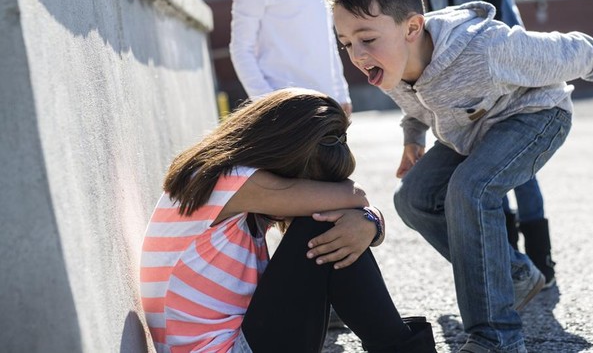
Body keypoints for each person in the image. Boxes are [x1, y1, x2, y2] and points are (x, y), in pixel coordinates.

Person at [326, 0, 593, 353]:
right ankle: (514, 274)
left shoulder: (485, 47)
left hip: (536, 116)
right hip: (472, 132)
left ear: (412, 28)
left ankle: (498, 337)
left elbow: (563, 50)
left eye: (366, 39)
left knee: (470, 189)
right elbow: (415, 106)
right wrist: (413, 139)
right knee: (412, 200)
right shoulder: (388, 63)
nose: (357, 54)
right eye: (346, 43)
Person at [140, 88, 437, 353]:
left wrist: (370, 222)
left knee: (331, 225)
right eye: (309, 185)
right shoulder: (231, 181)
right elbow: (354, 196)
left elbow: (356, 204)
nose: (310, 197)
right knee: (322, 224)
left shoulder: (221, 180)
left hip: (236, 341)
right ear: (284, 156)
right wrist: (367, 218)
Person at [421, 0, 554, 287]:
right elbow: (430, 24)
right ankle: (512, 263)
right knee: (483, 162)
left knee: (519, 166)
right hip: (460, 78)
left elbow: (494, 1)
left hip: (505, 67)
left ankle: (541, 260)